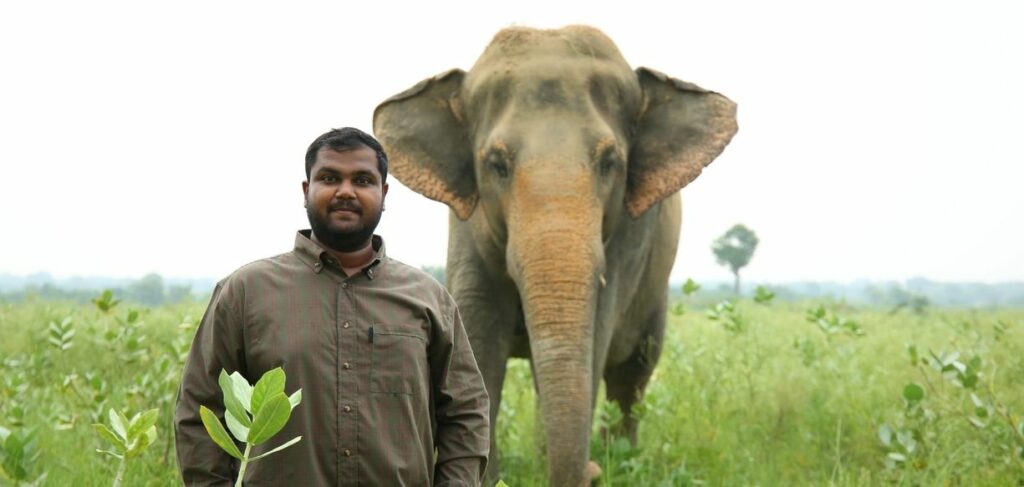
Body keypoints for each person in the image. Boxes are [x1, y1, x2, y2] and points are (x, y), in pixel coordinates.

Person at [174, 127, 490, 486]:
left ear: (383, 194)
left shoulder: (427, 299)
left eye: (362, 180)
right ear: (307, 191)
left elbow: (466, 413)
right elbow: (200, 410)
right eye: (329, 178)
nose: (345, 191)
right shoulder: (246, 292)